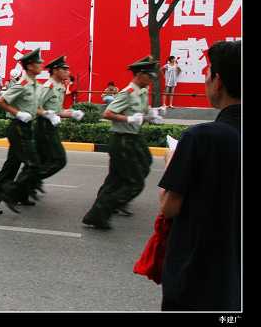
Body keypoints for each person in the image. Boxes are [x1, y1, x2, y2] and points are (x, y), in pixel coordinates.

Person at [158, 40, 240, 311]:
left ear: (218, 81)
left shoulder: (202, 137)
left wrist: (172, 161)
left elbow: (169, 206)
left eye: (208, 72)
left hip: (200, 278)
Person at [82, 55, 165, 229]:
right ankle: (101, 211)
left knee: (126, 172)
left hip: (134, 137)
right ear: (140, 75)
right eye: (149, 76)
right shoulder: (127, 92)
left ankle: (106, 202)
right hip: (122, 139)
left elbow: (141, 114)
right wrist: (128, 119)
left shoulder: (141, 91)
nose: (151, 80)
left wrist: (152, 116)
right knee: (134, 183)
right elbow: (107, 113)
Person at [0, 48, 45, 214]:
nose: (41, 64)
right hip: (17, 127)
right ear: (30, 66)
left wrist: (46, 114)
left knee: (11, 167)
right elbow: (1, 101)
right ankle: (12, 193)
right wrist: (18, 113)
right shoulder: (22, 84)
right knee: (32, 163)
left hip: (25, 127)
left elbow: (32, 107)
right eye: (38, 62)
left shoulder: (34, 84)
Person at [26, 56, 85, 204]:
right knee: (59, 159)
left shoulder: (60, 87)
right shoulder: (49, 87)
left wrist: (71, 113)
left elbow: (56, 110)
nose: (68, 72)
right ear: (56, 71)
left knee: (42, 159)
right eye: (64, 69)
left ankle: (29, 185)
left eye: (67, 69)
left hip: (50, 125)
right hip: (43, 126)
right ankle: (26, 182)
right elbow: (35, 107)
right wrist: (47, 114)